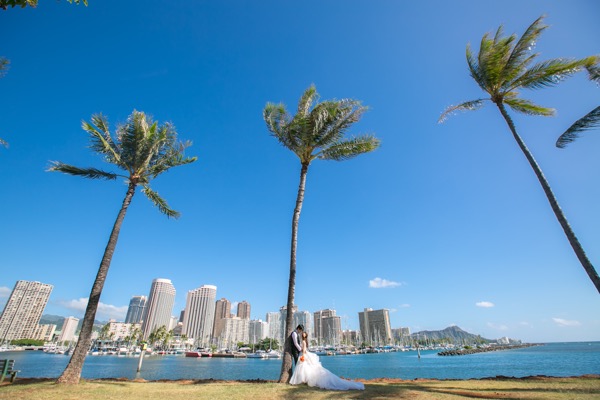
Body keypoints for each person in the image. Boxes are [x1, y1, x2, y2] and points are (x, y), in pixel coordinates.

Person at [290, 332, 365, 391]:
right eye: (303, 334)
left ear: (305, 336)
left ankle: (303, 380)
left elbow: (304, 350)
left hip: (303, 354)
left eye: (304, 335)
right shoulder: (304, 341)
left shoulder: (303, 342)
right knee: (306, 368)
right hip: (304, 354)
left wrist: (303, 356)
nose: (303, 335)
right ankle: (304, 380)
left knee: (304, 367)